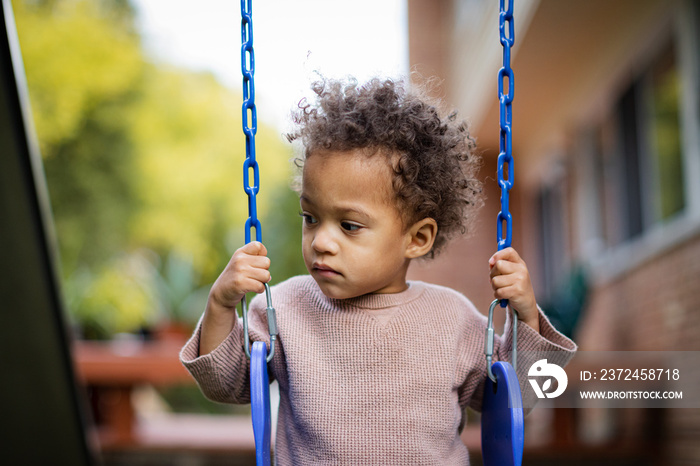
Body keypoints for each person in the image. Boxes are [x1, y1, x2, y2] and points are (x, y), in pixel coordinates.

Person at [181, 77, 577, 465]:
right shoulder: (285, 307)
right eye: (311, 217)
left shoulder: (452, 319)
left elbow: (520, 397)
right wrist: (220, 303)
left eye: (349, 225)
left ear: (417, 238)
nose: (321, 241)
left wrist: (525, 314)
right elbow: (225, 383)